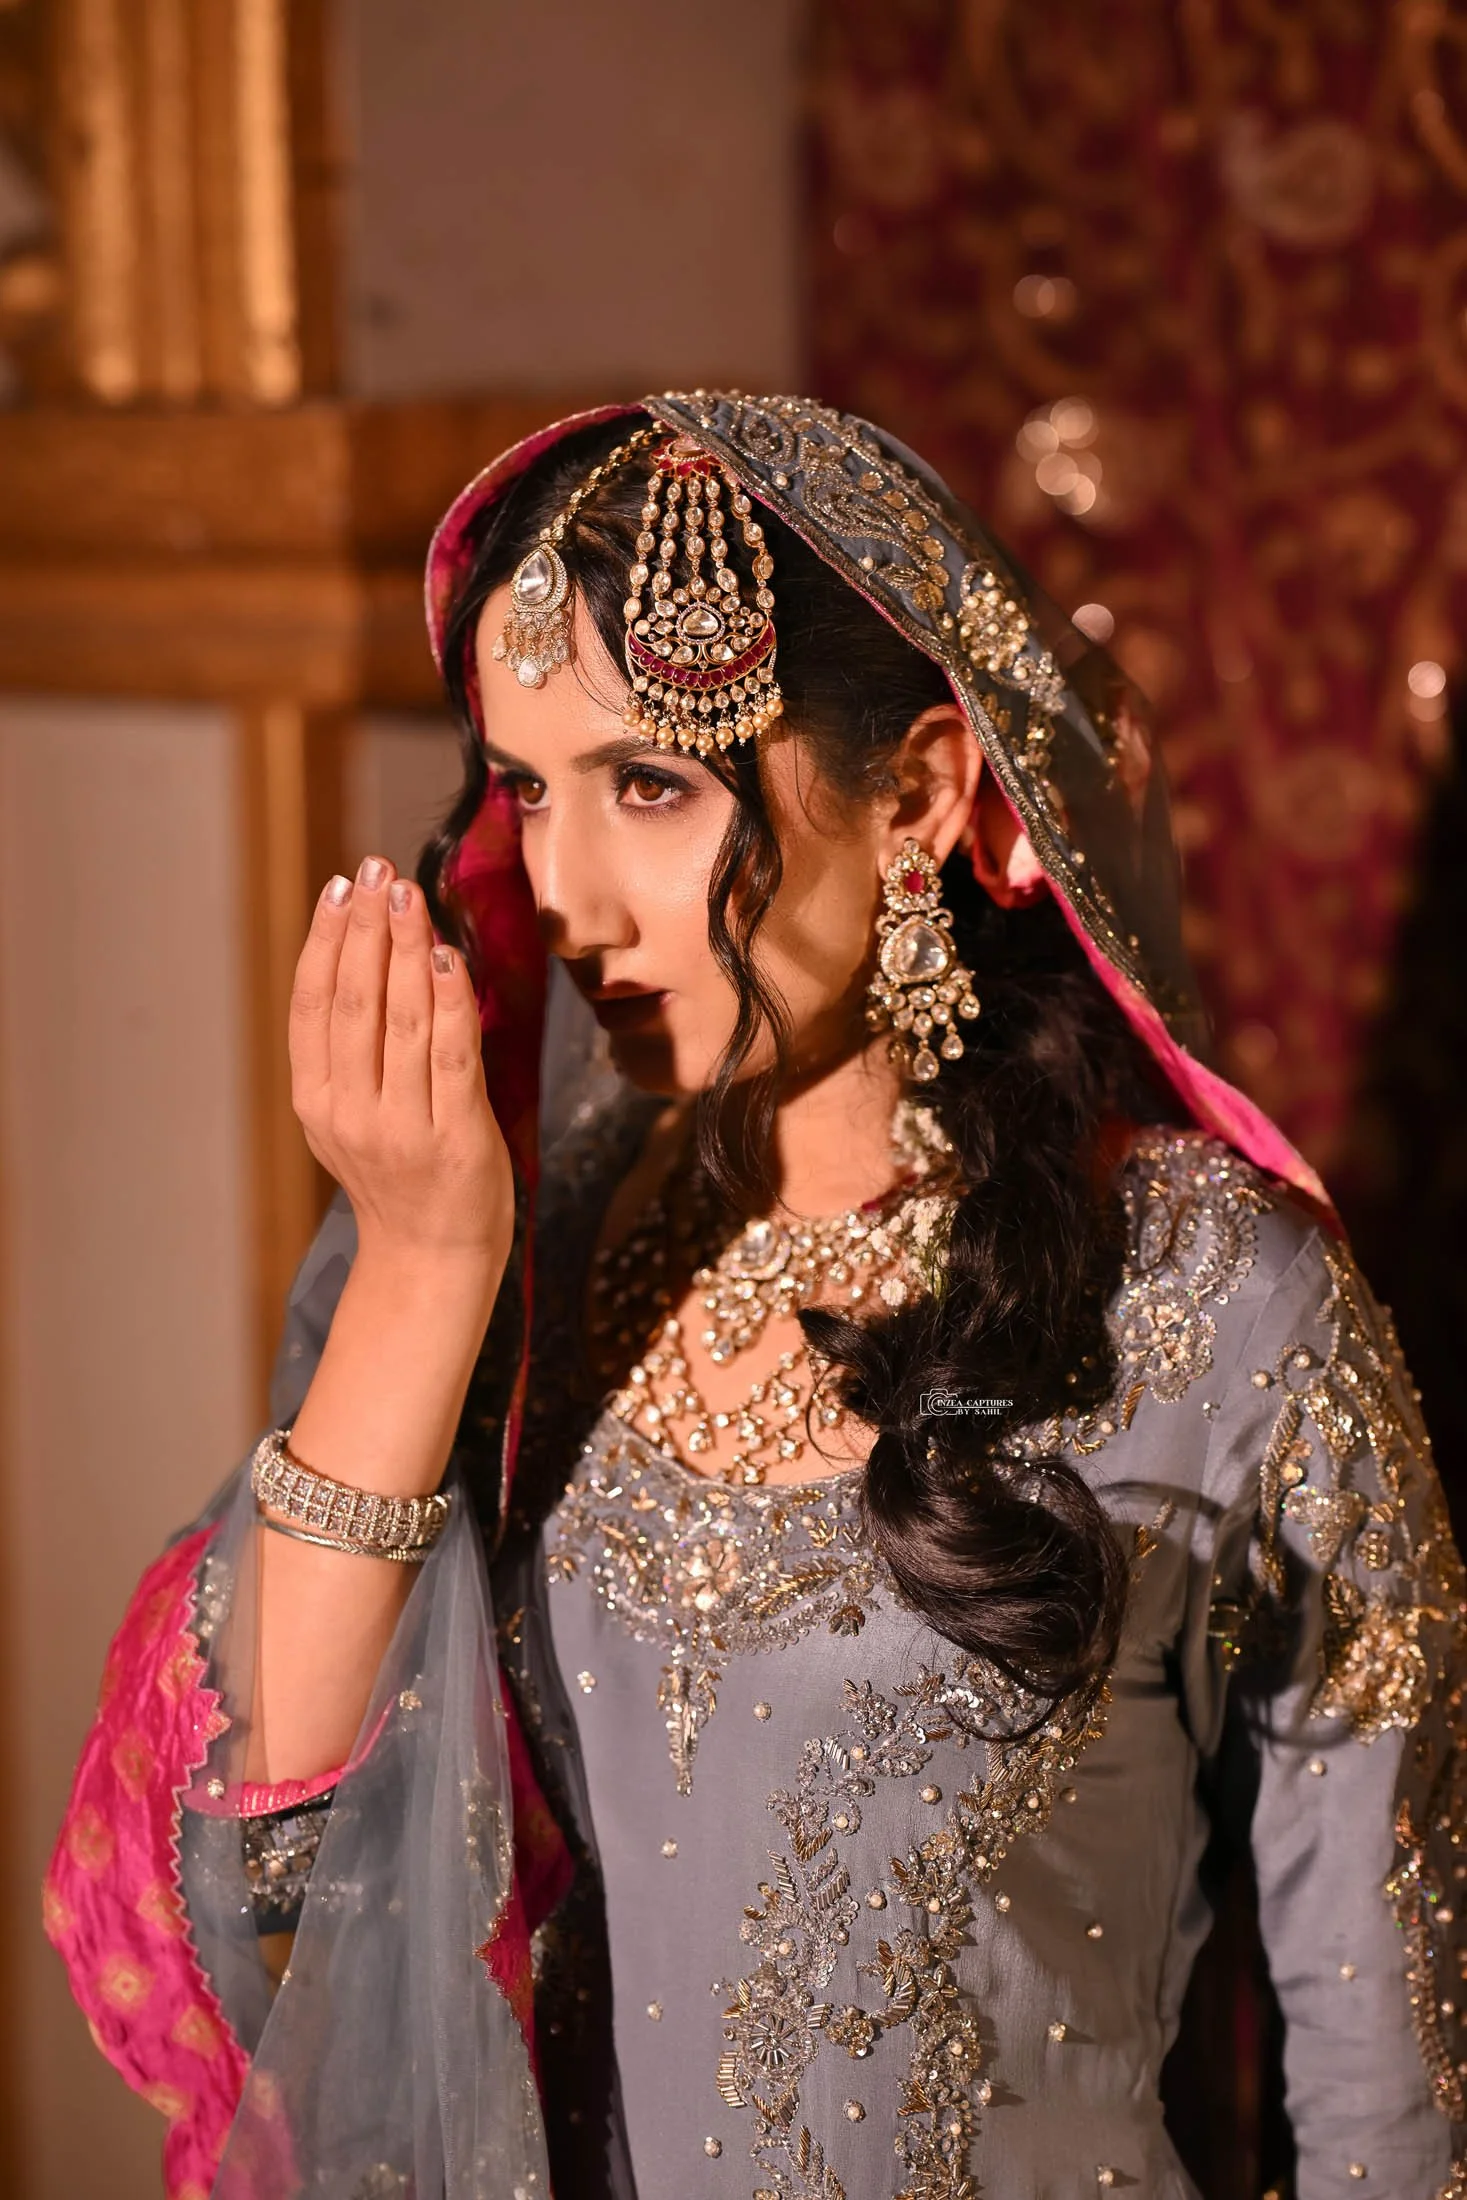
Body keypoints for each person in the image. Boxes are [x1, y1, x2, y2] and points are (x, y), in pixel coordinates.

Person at [45, 392, 1467, 2200]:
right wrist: (419, 1269)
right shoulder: (532, 1257)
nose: (562, 895)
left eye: (651, 784)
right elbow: (252, 1910)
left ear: (922, 789)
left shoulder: (1214, 1298)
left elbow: (1390, 2075)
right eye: (520, 788)